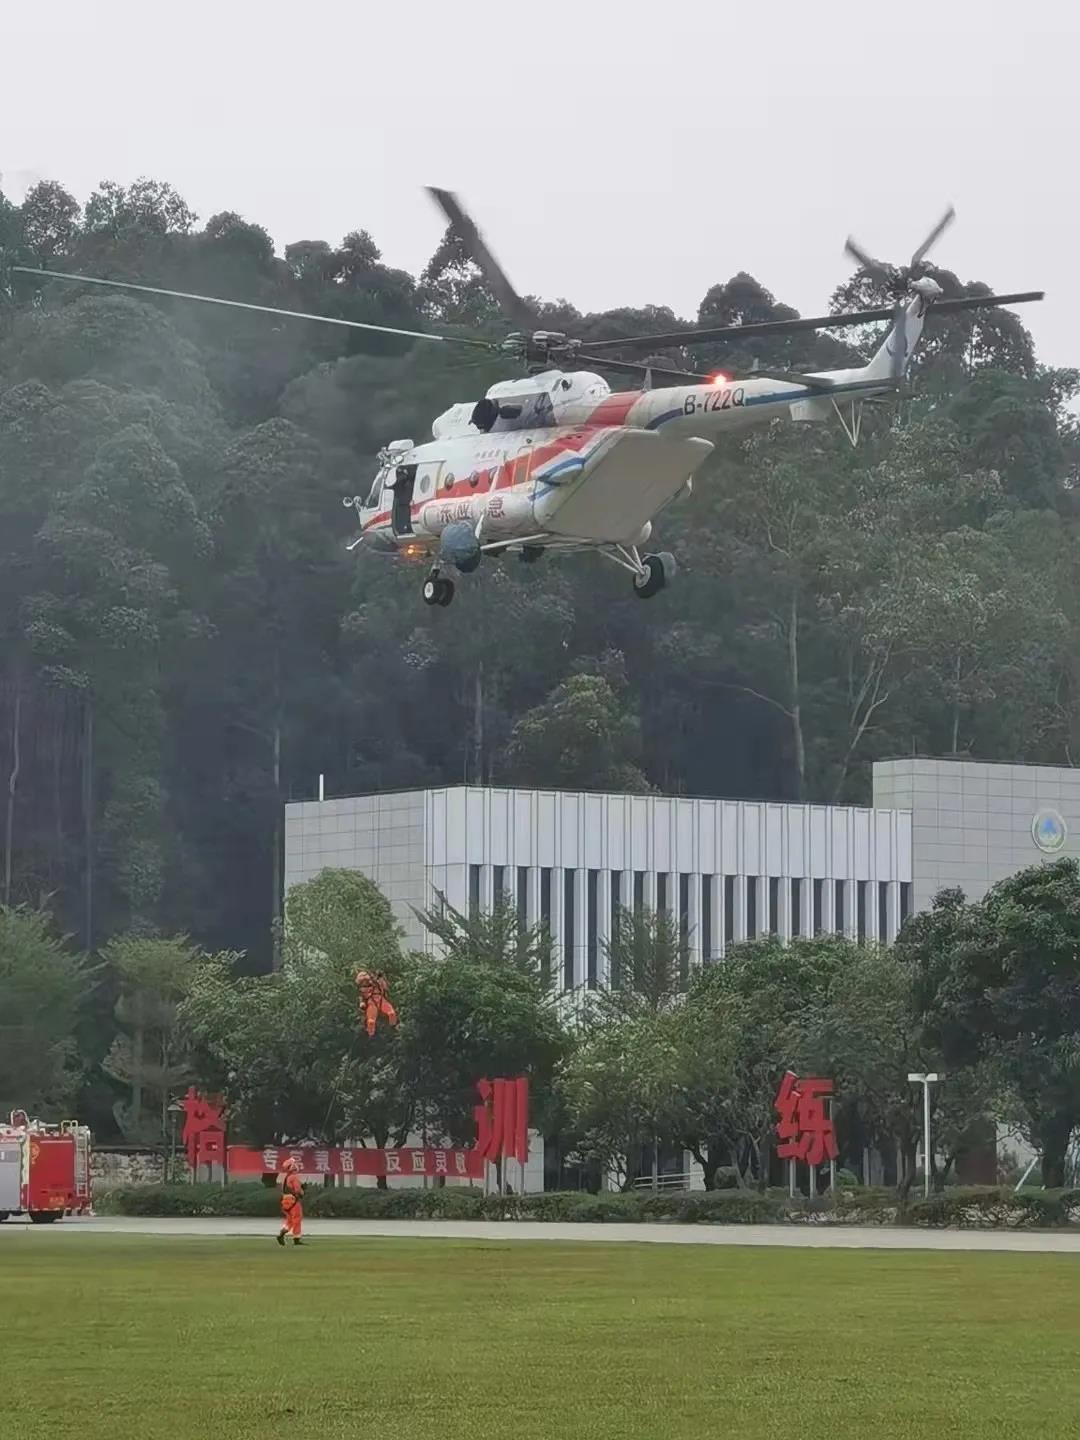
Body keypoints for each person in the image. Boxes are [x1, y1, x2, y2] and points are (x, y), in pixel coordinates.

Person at [277, 1156, 304, 1246]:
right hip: (293, 1201)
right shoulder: (294, 1177)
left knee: (289, 1220)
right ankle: (297, 1239)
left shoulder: (286, 1177)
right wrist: (302, 1191)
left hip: (285, 1201)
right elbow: (297, 1190)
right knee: (297, 1219)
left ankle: (282, 1233)